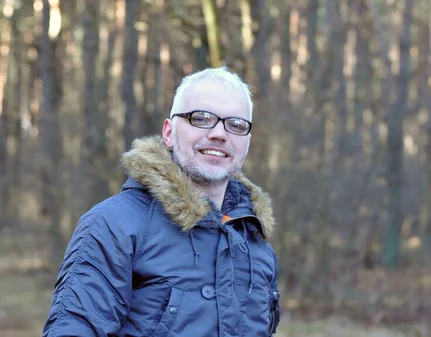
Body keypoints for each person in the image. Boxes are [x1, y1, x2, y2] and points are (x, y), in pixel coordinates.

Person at [42, 67, 281, 336]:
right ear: (168, 132)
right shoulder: (114, 225)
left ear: (246, 143)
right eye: (202, 118)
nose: (219, 134)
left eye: (236, 125)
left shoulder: (255, 243)